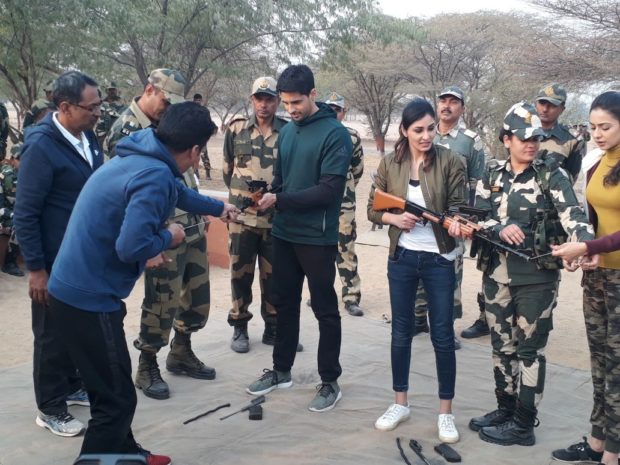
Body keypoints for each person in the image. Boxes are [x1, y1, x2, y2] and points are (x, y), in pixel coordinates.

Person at [47, 101, 237, 465]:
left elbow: (178, 193)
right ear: (195, 150)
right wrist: (169, 237)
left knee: (114, 388)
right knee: (116, 399)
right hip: (88, 299)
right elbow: (131, 247)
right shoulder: (154, 175)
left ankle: (124, 453)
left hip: (75, 291)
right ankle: (98, 459)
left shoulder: (144, 154)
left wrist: (218, 208)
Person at [469, 101, 593, 446]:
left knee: (529, 351)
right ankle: (505, 409)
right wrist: (499, 227)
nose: (531, 144)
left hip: (537, 277)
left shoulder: (551, 174)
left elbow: (573, 216)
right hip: (497, 275)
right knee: (501, 345)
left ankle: (524, 424)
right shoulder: (492, 174)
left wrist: (584, 244)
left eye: (536, 138)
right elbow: (477, 216)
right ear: (506, 139)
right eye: (524, 138)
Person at [246, 64, 352, 412]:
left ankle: (330, 381)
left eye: (297, 102)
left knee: (325, 309)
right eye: (286, 103)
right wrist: (266, 194)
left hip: (316, 237)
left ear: (313, 95)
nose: (290, 109)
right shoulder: (288, 133)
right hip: (284, 232)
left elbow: (328, 190)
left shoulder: (335, 134)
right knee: (284, 302)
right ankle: (281, 370)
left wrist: (280, 199)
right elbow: (282, 180)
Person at [106, 69, 214, 400]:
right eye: (166, 101)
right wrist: (151, 242)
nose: (169, 108)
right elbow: (125, 192)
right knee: (162, 300)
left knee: (197, 297)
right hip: (162, 231)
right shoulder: (127, 131)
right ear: (149, 90)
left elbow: (183, 175)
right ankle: (147, 364)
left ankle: (181, 351)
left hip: (189, 224)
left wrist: (201, 210)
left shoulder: (165, 126)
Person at [367, 98, 467, 443]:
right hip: (403, 258)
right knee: (401, 332)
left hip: (439, 259)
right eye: (418, 130)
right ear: (404, 131)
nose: (426, 136)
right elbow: (372, 209)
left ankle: (445, 413)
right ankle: (400, 403)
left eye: (430, 129)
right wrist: (395, 218)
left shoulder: (450, 160)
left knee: (442, 335)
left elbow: (459, 207)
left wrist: (456, 222)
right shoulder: (389, 163)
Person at [13, 71, 103, 437]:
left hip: (81, 254)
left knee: (74, 326)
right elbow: (25, 212)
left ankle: (70, 384)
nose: (97, 113)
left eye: (99, 106)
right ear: (64, 107)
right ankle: (50, 407)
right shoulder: (41, 147)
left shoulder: (87, 136)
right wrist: (36, 269)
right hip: (52, 260)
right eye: (91, 107)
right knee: (50, 334)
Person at [551, 91, 620, 465]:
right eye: (593, 127)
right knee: (599, 361)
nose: (597, 134)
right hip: (598, 275)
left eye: (605, 127)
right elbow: (594, 219)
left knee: (618, 368)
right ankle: (597, 443)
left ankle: (614, 453)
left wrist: (590, 245)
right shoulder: (596, 161)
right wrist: (585, 249)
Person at [223, 76, 293, 352]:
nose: (264, 105)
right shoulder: (237, 129)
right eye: (259, 99)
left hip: (275, 219)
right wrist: (242, 199)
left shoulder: (287, 131)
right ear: (252, 100)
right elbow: (228, 170)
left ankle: (272, 327)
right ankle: (239, 326)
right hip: (242, 219)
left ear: (277, 101)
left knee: (274, 277)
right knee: (240, 275)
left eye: (269, 99)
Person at [413, 86, 487, 345]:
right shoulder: (425, 133)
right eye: (443, 100)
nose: (446, 105)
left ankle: (446, 328)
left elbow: (478, 183)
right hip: (422, 214)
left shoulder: (470, 140)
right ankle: (418, 319)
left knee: (450, 275)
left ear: (462, 108)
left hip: (453, 218)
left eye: (453, 101)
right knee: (418, 266)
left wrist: (470, 221)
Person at [324, 92, 365, 317]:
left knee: (346, 247)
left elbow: (357, 170)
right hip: (318, 204)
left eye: (337, 110)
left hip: (344, 204)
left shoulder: (352, 137)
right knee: (320, 249)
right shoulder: (315, 133)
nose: (333, 113)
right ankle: (321, 292)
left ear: (344, 113)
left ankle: (351, 297)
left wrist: (345, 189)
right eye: (329, 109)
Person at [535, 83, 586, 184]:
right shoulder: (520, 132)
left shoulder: (572, 140)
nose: (545, 109)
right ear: (535, 104)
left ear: (562, 109)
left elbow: (570, 179)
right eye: (542, 103)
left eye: (552, 105)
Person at [0, 147, 23, 276]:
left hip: (16, 216)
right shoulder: (5, 176)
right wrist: (16, 216)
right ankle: (9, 263)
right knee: (20, 225)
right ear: (13, 159)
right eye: (20, 159)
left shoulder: (29, 176)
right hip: (4, 217)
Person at [95, 81, 127, 147]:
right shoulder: (102, 104)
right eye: (110, 90)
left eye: (113, 89)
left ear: (116, 90)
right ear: (107, 91)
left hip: (119, 132)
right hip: (103, 135)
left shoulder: (122, 101)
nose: (112, 91)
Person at [192, 93, 212, 180]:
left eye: (199, 100)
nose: (198, 102)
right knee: (194, 155)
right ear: (193, 100)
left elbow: (209, 123)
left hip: (202, 136)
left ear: (201, 101)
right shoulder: (190, 111)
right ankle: (196, 173)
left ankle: (208, 174)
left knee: (204, 155)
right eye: (196, 100)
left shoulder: (205, 111)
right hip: (192, 136)